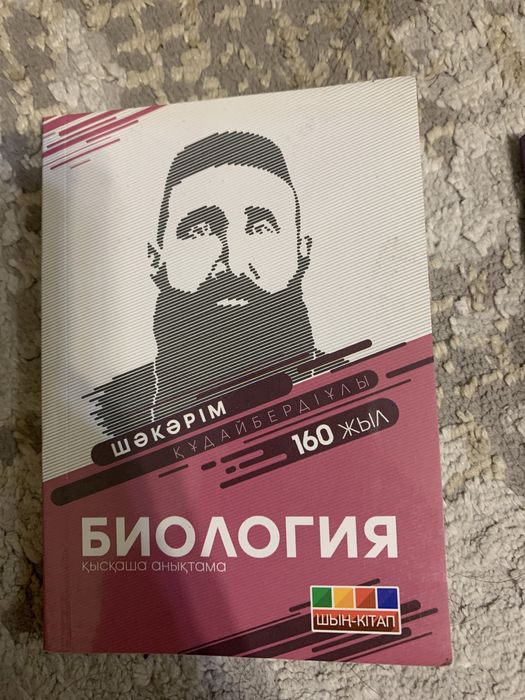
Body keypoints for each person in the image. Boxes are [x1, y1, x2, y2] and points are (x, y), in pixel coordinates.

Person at [87, 131, 315, 436]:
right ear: (157, 260)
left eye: (261, 228)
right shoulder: (97, 417)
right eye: (200, 231)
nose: (233, 262)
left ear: (301, 251)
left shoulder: (362, 385)